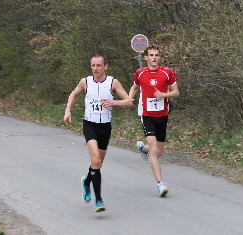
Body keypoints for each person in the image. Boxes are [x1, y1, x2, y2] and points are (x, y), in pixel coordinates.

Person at [64, 55, 132, 212]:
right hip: (90, 125)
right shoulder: (85, 82)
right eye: (93, 65)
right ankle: (99, 200)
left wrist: (114, 102)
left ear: (105, 66)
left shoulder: (113, 83)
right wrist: (68, 110)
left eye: (99, 65)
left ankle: (87, 182)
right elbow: (73, 94)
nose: (95, 68)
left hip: (105, 127)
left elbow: (128, 101)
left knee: (98, 163)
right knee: (95, 159)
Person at [129, 45, 179, 197]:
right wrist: (129, 98)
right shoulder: (140, 73)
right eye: (151, 55)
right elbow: (135, 87)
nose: (154, 58)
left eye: (156, 55)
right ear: (146, 57)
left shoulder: (167, 72)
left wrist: (163, 95)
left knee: (160, 152)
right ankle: (160, 184)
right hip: (147, 115)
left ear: (159, 57)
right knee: (154, 150)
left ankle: (143, 149)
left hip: (162, 115)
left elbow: (176, 93)